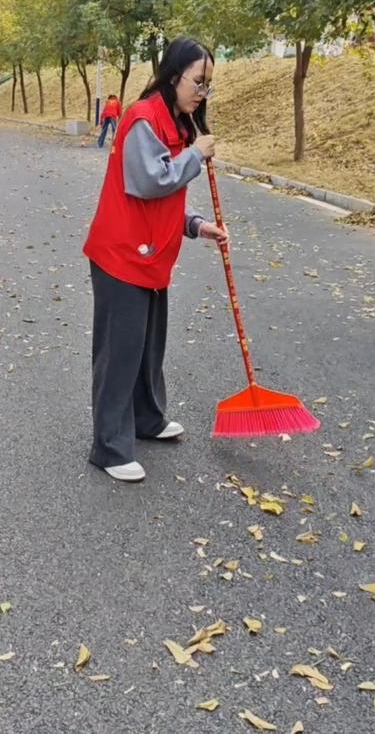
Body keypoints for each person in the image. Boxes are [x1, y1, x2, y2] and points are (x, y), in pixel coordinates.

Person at [83, 37, 227, 481]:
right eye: (198, 82)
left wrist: (195, 224)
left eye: (208, 84)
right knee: (120, 351)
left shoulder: (175, 122)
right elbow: (148, 181)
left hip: (151, 256)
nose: (202, 92)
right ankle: (109, 447)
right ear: (173, 75)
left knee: (148, 346)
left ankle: (146, 419)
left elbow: (163, 199)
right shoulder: (144, 118)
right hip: (121, 255)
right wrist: (195, 155)